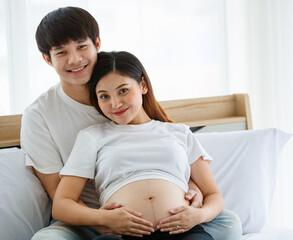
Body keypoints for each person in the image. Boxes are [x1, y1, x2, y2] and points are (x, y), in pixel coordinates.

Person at [21, 6, 242, 240]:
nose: (74, 59)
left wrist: (191, 190)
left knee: (229, 222)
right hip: (86, 217)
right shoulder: (41, 116)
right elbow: (61, 197)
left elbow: (163, 152)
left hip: (169, 219)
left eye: (81, 46)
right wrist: (105, 220)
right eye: (61, 52)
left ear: (97, 43)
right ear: (47, 58)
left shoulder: (132, 99)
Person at [53, 50, 222, 240]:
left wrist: (199, 216)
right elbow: (62, 204)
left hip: (183, 232)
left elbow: (213, 194)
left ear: (143, 85)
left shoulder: (179, 132)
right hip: (122, 236)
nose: (115, 104)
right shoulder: (92, 136)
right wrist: (103, 218)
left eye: (123, 90)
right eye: (104, 96)